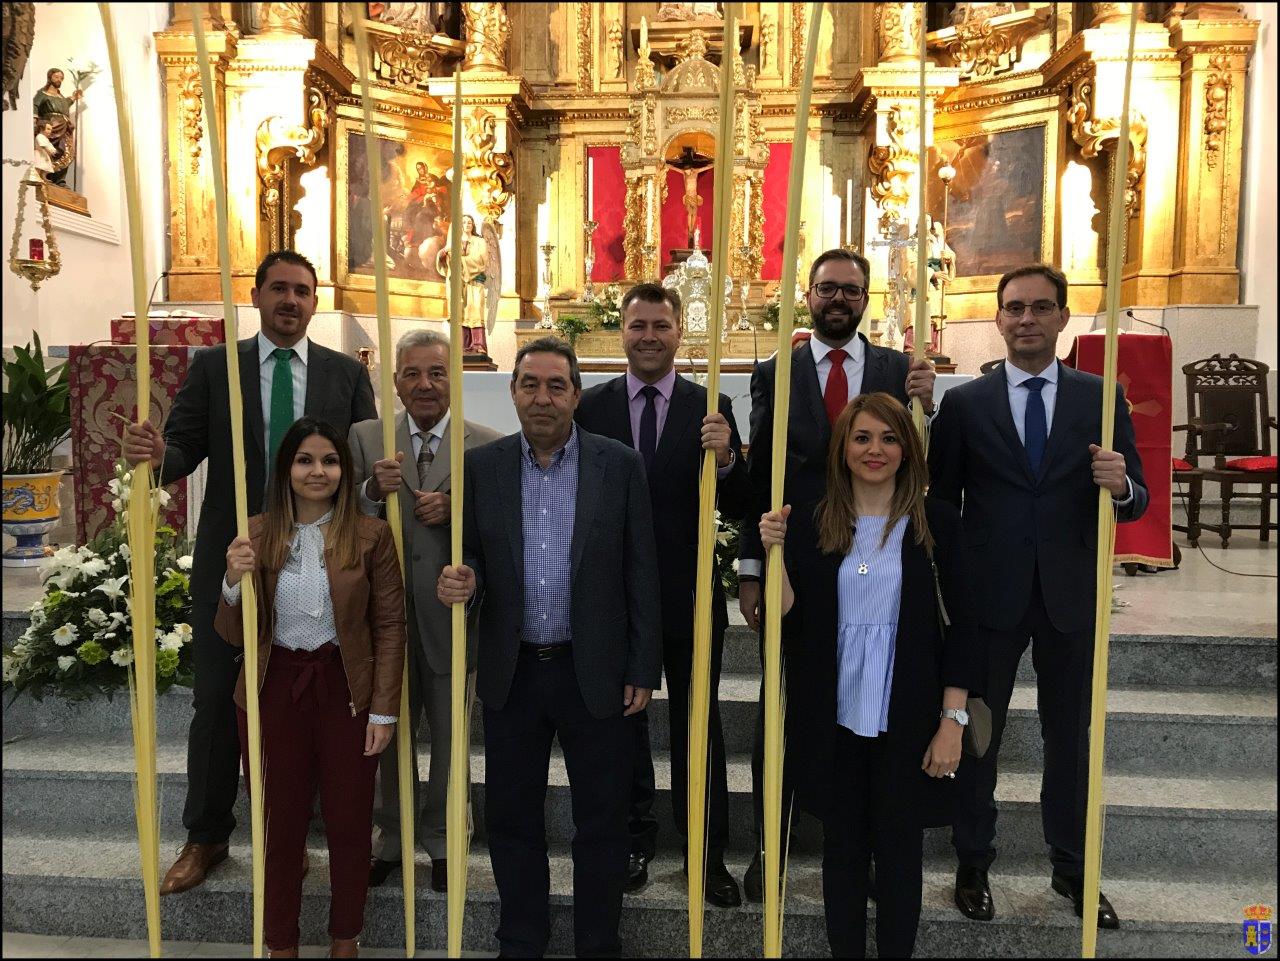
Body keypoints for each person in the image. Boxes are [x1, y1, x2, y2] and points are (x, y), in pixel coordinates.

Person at [122, 251, 377, 896]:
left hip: (321, 558)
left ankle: (295, 836)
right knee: (216, 693)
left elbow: (361, 462)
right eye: (279, 289)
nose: (291, 300)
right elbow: (183, 449)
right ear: (257, 296)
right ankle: (206, 834)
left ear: (315, 302)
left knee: (314, 695)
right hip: (234, 552)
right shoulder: (217, 367)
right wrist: (158, 454)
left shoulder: (346, 373)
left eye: (303, 291)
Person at [928, 263, 1148, 930]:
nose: (1027, 318)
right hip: (987, 596)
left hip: (1068, 595)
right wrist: (951, 583)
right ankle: (973, 861)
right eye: (1016, 307)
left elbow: (1137, 497)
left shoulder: (1100, 398)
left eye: (1041, 307)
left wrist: (1121, 485)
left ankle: (1073, 868)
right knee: (979, 734)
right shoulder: (965, 405)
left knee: (1071, 738)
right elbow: (941, 504)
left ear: (1062, 317)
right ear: (998, 318)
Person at [437, 337, 662, 958]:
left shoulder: (618, 464)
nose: (543, 397)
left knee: (603, 819)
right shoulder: (482, 467)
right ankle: (521, 938)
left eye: (556, 385)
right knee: (511, 818)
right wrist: (465, 581)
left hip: (594, 669)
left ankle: (597, 941)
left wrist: (643, 664)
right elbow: (472, 554)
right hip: (513, 670)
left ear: (576, 395)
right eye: (530, 384)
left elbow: (641, 568)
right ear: (513, 392)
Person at [735, 247, 937, 900]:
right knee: (784, 706)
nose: (838, 299)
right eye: (827, 288)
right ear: (809, 295)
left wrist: (927, 408)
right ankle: (771, 843)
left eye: (851, 289)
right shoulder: (775, 372)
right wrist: (752, 566)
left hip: (879, 555)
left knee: (875, 709)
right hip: (801, 559)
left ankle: (867, 847)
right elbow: (760, 477)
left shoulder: (900, 369)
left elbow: (919, 460)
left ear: (866, 298)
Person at [758, 392, 978, 958]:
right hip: (834, 717)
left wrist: (952, 721)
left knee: (900, 857)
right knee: (842, 856)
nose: (874, 449)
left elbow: (965, 627)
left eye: (888, 438)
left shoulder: (936, 524)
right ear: (842, 449)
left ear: (907, 449)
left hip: (906, 716)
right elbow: (790, 625)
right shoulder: (814, 523)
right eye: (861, 438)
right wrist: (773, 555)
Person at [575, 284, 752, 906]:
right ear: (622, 331)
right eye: (638, 325)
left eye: (661, 325)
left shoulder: (712, 405)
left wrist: (726, 460)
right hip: (613, 597)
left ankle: (707, 850)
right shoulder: (590, 406)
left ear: (681, 331)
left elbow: (741, 499)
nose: (649, 336)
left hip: (686, 591)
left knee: (698, 723)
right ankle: (632, 839)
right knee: (622, 725)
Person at [216, 417, 405, 959]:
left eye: (329, 460)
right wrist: (232, 581)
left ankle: (345, 938)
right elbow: (231, 633)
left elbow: (390, 626)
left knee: (349, 823)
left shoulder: (371, 536)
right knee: (279, 824)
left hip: (346, 692)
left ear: (345, 470)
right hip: (272, 692)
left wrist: (383, 710)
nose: (317, 471)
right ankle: (281, 943)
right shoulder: (255, 533)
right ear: (286, 469)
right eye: (305, 460)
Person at [349, 329, 502, 892]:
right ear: (395, 382)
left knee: (449, 737)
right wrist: (370, 490)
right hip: (382, 619)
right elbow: (337, 514)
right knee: (389, 731)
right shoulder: (367, 437)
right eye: (412, 373)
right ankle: (391, 836)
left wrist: (457, 508)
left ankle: (443, 837)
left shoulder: (486, 444)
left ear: (454, 380)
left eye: (437, 373)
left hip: (452, 617)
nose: (425, 384)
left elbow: (501, 531)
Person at [436, 214, 489, 355]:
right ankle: (463, 347)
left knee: (476, 310)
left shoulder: (480, 241)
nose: (467, 224)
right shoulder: (453, 243)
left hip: (475, 281)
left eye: (469, 222)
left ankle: (478, 345)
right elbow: (445, 261)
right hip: (458, 283)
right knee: (461, 312)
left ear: (473, 225)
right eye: (464, 222)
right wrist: (443, 254)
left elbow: (481, 260)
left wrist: (460, 261)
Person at [32, 67, 79, 187]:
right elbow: (35, 105)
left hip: (64, 126)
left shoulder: (60, 97)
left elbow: (64, 104)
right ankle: (46, 175)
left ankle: (60, 180)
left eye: (61, 78)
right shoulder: (43, 94)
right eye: (56, 77)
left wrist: (73, 98)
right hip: (51, 125)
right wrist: (34, 118)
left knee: (66, 151)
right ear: (50, 77)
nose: (59, 80)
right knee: (49, 150)